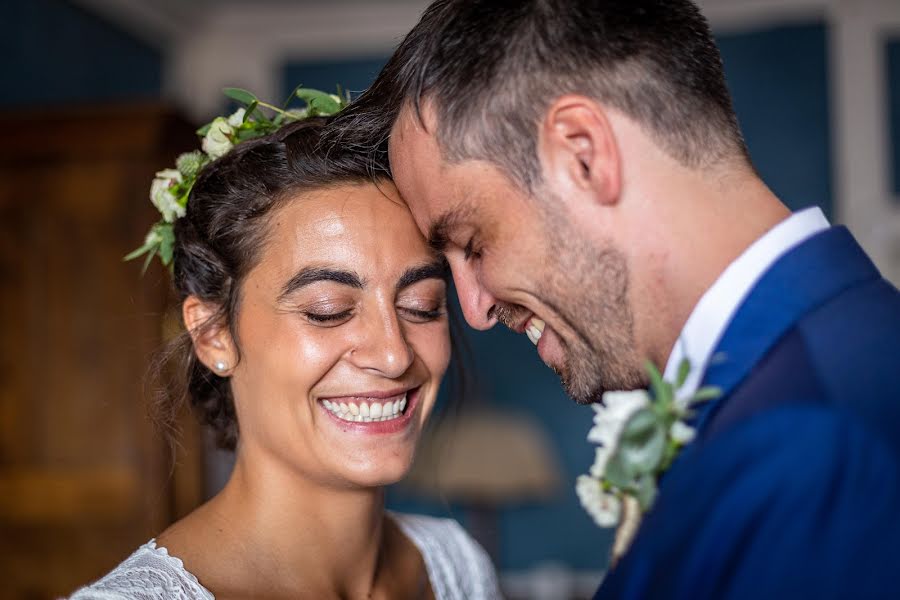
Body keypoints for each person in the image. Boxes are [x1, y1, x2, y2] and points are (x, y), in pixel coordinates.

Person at [329, 0, 900, 598]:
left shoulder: (813, 443)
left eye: (471, 242)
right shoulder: (821, 367)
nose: (474, 310)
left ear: (583, 154)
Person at [69, 117, 501, 599]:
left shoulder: (455, 562)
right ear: (214, 335)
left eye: (421, 306)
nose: (394, 354)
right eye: (328, 311)